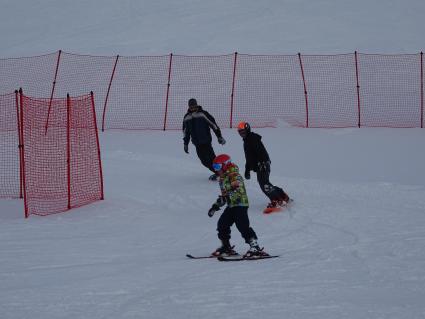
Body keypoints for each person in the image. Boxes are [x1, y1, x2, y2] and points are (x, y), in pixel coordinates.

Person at [207, 154, 268, 258]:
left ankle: (255, 247)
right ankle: (226, 246)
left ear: (225, 165)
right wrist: (215, 206)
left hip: (240, 204)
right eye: (214, 167)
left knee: (243, 226)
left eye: (217, 167)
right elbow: (224, 195)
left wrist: (226, 197)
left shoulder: (235, 176)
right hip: (231, 205)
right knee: (222, 224)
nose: (216, 170)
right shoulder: (222, 179)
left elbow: (238, 191)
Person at [237, 121, 290, 209]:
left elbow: (261, 151)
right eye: (240, 132)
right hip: (260, 166)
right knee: (265, 183)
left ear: (247, 130)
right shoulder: (246, 141)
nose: (241, 134)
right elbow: (249, 158)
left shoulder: (253, 138)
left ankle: (276, 200)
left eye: (243, 132)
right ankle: (282, 195)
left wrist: (263, 162)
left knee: (264, 184)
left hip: (262, 164)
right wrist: (247, 170)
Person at [183, 98, 226, 181]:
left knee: (212, 159)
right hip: (197, 143)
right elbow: (186, 132)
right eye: (191, 107)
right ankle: (218, 173)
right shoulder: (186, 117)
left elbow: (213, 125)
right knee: (204, 161)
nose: (193, 108)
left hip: (206, 141)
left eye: (194, 106)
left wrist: (219, 136)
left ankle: (221, 174)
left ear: (196, 105)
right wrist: (185, 143)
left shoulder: (203, 114)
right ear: (189, 107)